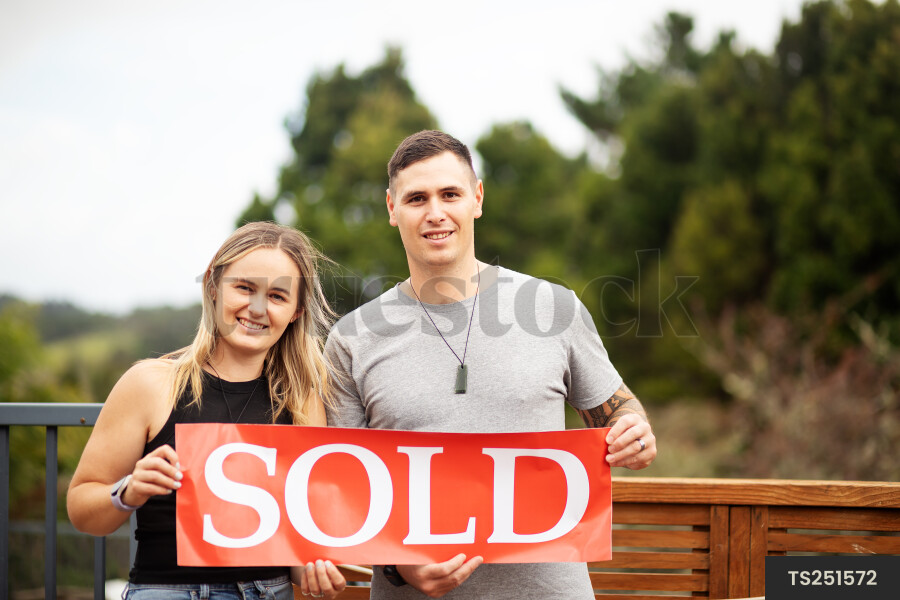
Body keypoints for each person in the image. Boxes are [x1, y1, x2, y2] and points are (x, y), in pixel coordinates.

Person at [325, 130, 658, 599]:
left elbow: (617, 413)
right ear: (391, 208)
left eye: (450, 194)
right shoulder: (351, 338)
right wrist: (400, 566)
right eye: (417, 198)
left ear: (477, 198)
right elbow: (344, 485)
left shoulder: (554, 307)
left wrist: (634, 432)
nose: (435, 212)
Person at [68, 222, 347, 600]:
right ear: (214, 286)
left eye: (277, 296)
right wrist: (129, 491)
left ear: (296, 311)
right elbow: (82, 510)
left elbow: (298, 542)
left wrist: (312, 571)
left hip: (267, 592)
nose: (257, 308)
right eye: (244, 287)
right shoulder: (150, 384)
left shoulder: (301, 401)